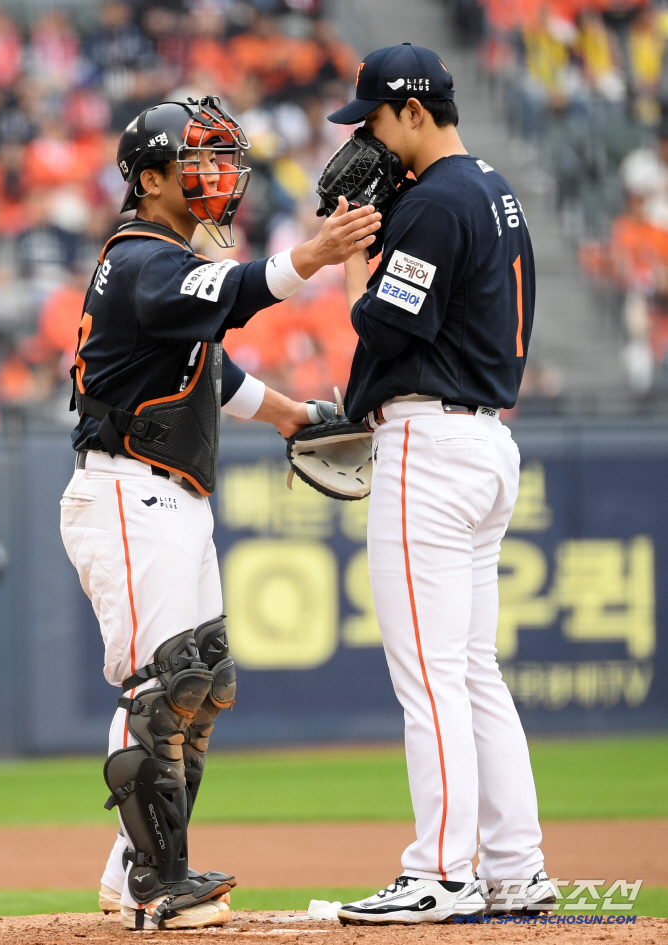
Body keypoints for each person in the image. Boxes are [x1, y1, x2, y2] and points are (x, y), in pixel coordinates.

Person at [59, 95, 380, 932]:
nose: (216, 175)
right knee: (164, 687)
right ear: (150, 178)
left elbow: (211, 369)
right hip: (127, 489)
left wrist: (288, 414)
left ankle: (134, 868)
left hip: (166, 494)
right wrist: (308, 257)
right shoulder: (141, 258)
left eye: (220, 160)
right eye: (195, 162)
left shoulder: (161, 267)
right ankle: (157, 884)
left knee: (202, 684)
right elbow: (237, 292)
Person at [326, 45, 558, 924]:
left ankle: (442, 871)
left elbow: (382, 326)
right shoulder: (493, 188)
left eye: (376, 121)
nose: (369, 141)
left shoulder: (434, 199)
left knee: (430, 672)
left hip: (431, 443)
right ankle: (514, 865)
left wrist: (355, 253)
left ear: (414, 112)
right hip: (486, 437)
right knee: (469, 670)